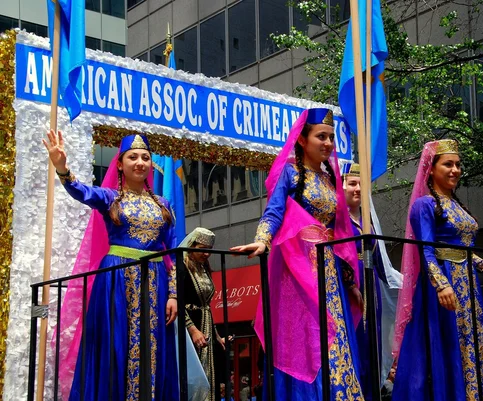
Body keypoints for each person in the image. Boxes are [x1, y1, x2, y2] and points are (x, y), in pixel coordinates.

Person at [231, 108, 364, 400]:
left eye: (331, 138)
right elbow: (274, 212)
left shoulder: (331, 181)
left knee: (335, 338)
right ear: (303, 140)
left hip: (329, 274)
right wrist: (262, 240)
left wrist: (350, 281)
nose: (328, 143)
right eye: (321, 137)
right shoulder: (290, 173)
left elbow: (340, 234)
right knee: (308, 341)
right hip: (298, 270)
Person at [44, 131, 179, 401]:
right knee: (115, 345)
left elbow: (172, 254)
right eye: (132, 157)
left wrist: (174, 293)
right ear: (120, 163)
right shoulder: (110, 198)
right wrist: (62, 168)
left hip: (155, 283)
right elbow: (81, 191)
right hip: (117, 279)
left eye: (145, 157)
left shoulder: (163, 205)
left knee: (152, 348)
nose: (140, 162)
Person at [392, 139, 483, 401]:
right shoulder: (424, 205)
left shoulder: (457, 205)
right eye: (448, 164)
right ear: (431, 169)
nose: (455, 170)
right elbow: (426, 250)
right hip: (444, 289)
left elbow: (465, 252)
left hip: (469, 287)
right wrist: (441, 284)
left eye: (458, 165)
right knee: (447, 345)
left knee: (473, 344)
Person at [343, 162, 384, 400]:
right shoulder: (338, 220)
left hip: (371, 283)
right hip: (350, 283)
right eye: (352, 184)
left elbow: (380, 259)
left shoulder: (368, 220)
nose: (358, 189)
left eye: (361, 184)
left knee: (372, 342)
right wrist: (349, 283)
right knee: (355, 339)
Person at [179, 227, 227, 401]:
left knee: (211, 375)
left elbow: (206, 306)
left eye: (209, 250)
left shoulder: (204, 269)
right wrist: (192, 330)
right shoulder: (182, 268)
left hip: (206, 326)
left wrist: (216, 335)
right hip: (188, 327)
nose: (206, 254)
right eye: (202, 249)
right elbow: (178, 301)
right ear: (191, 246)